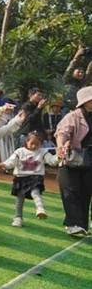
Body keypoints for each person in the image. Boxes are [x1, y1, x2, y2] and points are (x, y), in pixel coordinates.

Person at [55, 86, 92, 236]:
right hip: (71, 158)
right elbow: (62, 132)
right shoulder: (73, 116)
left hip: (90, 160)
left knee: (86, 192)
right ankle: (74, 223)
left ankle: (82, 225)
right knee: (69, 190)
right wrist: (61, 145)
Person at [0, 131, 58, 227]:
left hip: (35, 177)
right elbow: (12, 161)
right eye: (32, 143)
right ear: (27, 142)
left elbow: (52, 161)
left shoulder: (43, 152)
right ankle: (18, 218)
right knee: (20, 199)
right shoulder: (19, 151)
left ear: (41, 144)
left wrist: (58, 156)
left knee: (35, 192)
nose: (34, 146)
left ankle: (40, 208)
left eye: (37, 144)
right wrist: (5, 165)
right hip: (21, 177)